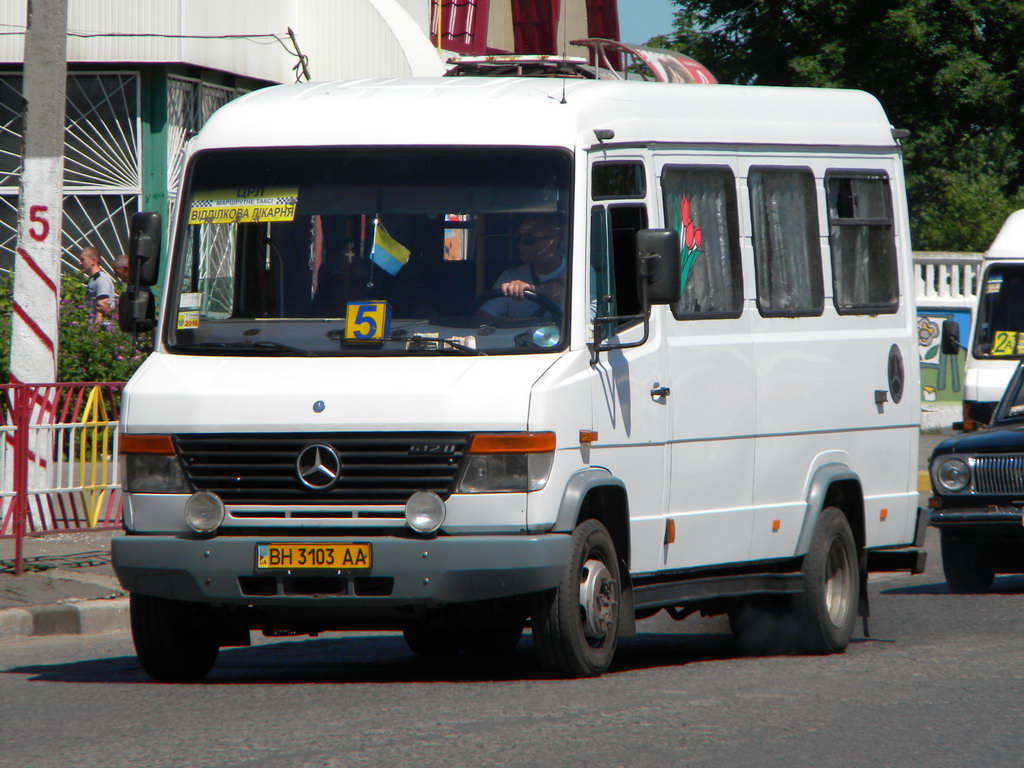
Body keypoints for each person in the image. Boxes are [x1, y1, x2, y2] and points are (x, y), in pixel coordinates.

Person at [480, 214, 565, 319]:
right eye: (518, 238)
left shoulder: (579, 270)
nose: (520, 245)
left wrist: (530, 288)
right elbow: (485, 318)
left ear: (553, 242)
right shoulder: (510, 277)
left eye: (528, 240)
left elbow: (570, 291)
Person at [78, 246, 115, 322]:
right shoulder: (94, 279)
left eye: (82, 260)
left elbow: (101, 308)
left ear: (93, 261)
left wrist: (95, 329)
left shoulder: (101, 279)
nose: (80, 263)